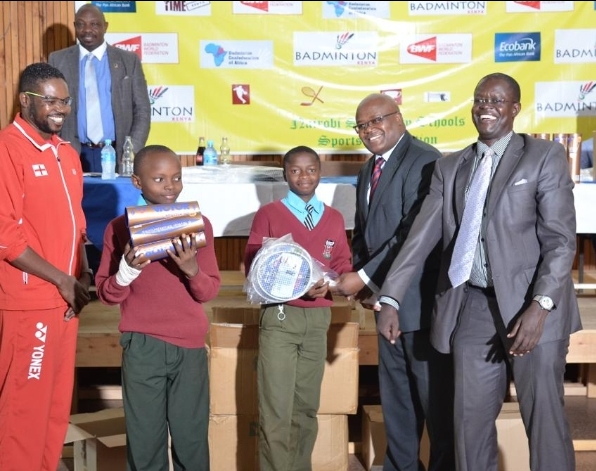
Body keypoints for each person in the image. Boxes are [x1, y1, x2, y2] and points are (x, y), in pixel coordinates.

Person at [376, 73, 582, 471]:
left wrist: (540, 306)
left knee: (544, 422)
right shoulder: (450, 167)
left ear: (515, 109)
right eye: (479, 99)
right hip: (471, 306)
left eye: (497, 100)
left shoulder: (543, 156)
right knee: (468, 426)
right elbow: (419, 238)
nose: (486, 106)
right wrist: (390, 297)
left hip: (532, 308)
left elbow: (560, 241)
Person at [333, 93, 455, 471]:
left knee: (434, 404)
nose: (370, 130)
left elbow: (413, 234)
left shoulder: (424, 160)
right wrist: (367, 282)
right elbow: (365, 230)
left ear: (399, 118)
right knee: (397, 400)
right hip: (384, 304)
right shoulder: (369, 168)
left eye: (377, 120)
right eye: (362, 125)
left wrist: (366, 276)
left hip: (418, 304)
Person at [94, 145, 220, 471]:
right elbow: (107, 294)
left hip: (189, 347)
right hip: (143, 347)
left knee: (191, 438)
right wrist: (127, 270)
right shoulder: (118, 228)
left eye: (177, 177)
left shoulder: (198, 224)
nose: (170, 186)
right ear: (137, 181)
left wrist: (191, 268)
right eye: (159, 178)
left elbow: (208, 292)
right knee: (144, 439)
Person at [0, 62, 92, 471]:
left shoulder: (67, 154)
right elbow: (6, 237)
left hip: (66, 300)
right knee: (23, 411)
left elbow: (79, 224)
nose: (60, 108)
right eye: (51, 100)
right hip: (31, 302)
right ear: (26, 100)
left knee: (55, 409)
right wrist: (61, 279)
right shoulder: (7, 149)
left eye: (65, 100)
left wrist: (83, 274)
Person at [243, 145, 353, 471]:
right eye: (295, 170)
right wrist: (288, 284)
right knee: (276, 410)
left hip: (319, 318)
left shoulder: (333, 218)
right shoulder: (270, 214)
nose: (303, 176)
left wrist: (329, 284)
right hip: (280, 317)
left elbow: (343, 263)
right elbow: (253, 263)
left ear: (320, 173)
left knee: (306, 407)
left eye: (311, 169)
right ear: (284, 175)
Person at [48, 3, 151, 174]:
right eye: (81, 24)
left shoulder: (128, 61)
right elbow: (50, 110)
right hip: (72, 152)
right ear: (75, 27)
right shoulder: (58, 60)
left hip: (117, 153)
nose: (87, 29)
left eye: (94, 24)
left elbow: (142, 111)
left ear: (106, 26)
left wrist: (131, 151)